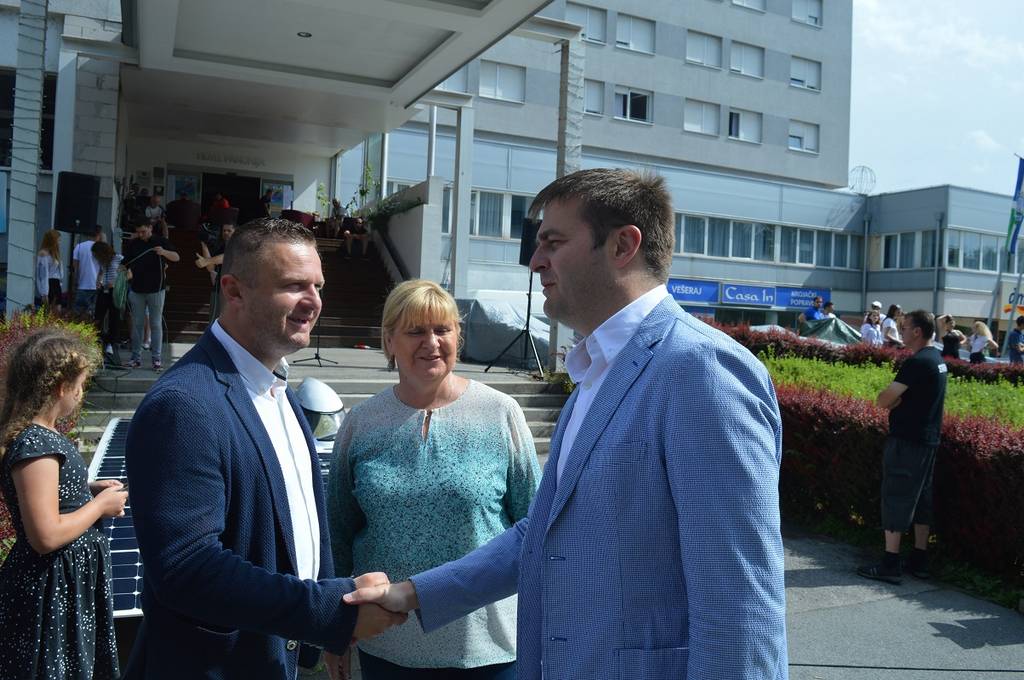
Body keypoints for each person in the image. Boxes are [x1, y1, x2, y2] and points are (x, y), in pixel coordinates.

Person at [345, 168, 788, 679]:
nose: (535, 261)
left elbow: (740, 607)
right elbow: (541, 534)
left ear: (623, 246)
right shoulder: (596, 374)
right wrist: (412, 593)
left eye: (553, 243)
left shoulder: (701, 371)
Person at [123, 218, 405, 680]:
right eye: (294, 286)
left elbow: (303, 521)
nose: (314, 301)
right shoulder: (183, 405)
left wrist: (331, 622)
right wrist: (328, 611)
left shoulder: (280, 391)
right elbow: (186, 568)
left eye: (318, 286)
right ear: (234, 291)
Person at [328, 279, 540, 680]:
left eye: (443, 329)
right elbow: (337, 534)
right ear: (389, 340)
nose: (432, 343)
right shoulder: (361, 423)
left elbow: (536, 524)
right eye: (415, 331)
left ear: (458, 336)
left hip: (488, 649)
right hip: (388, 647)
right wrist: (334, 629)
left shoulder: (500, 413)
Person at [0, 328, 128, 679]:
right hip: (50, 588)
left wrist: (87, 490)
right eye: (81, 385)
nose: (81, 393)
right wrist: (99, 507)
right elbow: (45, 535)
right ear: (60, 387)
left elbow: (49, 495)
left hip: (64, 585)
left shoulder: (44, 437)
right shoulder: (36, 445)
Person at [858, 310, 947, 584]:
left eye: (905, 327)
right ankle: (919, 558)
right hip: (928, 440)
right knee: (921, 500)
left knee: (896, 496)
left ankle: (891, 562)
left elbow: (884, 399)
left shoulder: (917, 362)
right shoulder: (938, 360)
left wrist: (895, 402)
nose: (901, 331)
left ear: (917, 331)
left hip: (907, 441)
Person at [123, 222, 179, 371]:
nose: (141, 235)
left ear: (150, 228)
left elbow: (176, 257)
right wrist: (123, 272)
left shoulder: (160, 241)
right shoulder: (134, 244)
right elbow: (125, 263)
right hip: (137, 289)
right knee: (137, 325)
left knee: (155, 324)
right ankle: (135, 358)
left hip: (156, 289)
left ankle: (156, 359)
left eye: (143, 231)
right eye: (138, 232)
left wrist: (164, 252)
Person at [195, 222, 236, 322]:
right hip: (218, 289)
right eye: (224, 231)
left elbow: (227, 257)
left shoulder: (239, 245)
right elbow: (210, 268)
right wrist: (204, 244)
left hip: (234, 291)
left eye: (229, 231)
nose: (226, 233)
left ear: (235, 231)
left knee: (232, 322)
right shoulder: (220, 247)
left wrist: (206, 261)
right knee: (214, 321)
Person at [93, 241, 124, 365]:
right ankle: (98, 341)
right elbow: (101, 272)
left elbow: (125, 274)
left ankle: (112, 343)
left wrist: (115, 283)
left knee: (114, 317)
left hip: (114, 291)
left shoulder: (119, 258)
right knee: (98, 316)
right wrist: (98, 281)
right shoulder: (103, 261)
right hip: (104, 289)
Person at [70, 224, 104, 315]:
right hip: (94, 286)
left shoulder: (79, 246)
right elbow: (102, 270)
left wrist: (74, 283)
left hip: (81, 285)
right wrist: (99, 282)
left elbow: (75, 267)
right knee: (91, 314)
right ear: (99, 234)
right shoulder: (100, 249)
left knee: (77, 314)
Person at [35, 229, 64, 310]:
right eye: (58, 240)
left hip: (56, 284)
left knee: (57, 310)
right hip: (48, 284)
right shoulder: (43, 254)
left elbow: (59, 271)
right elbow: (42, 274)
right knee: (49, 311)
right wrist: (44, 293)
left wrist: (60, 283)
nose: (59, 242)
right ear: (52, 241)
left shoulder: (55, 252)